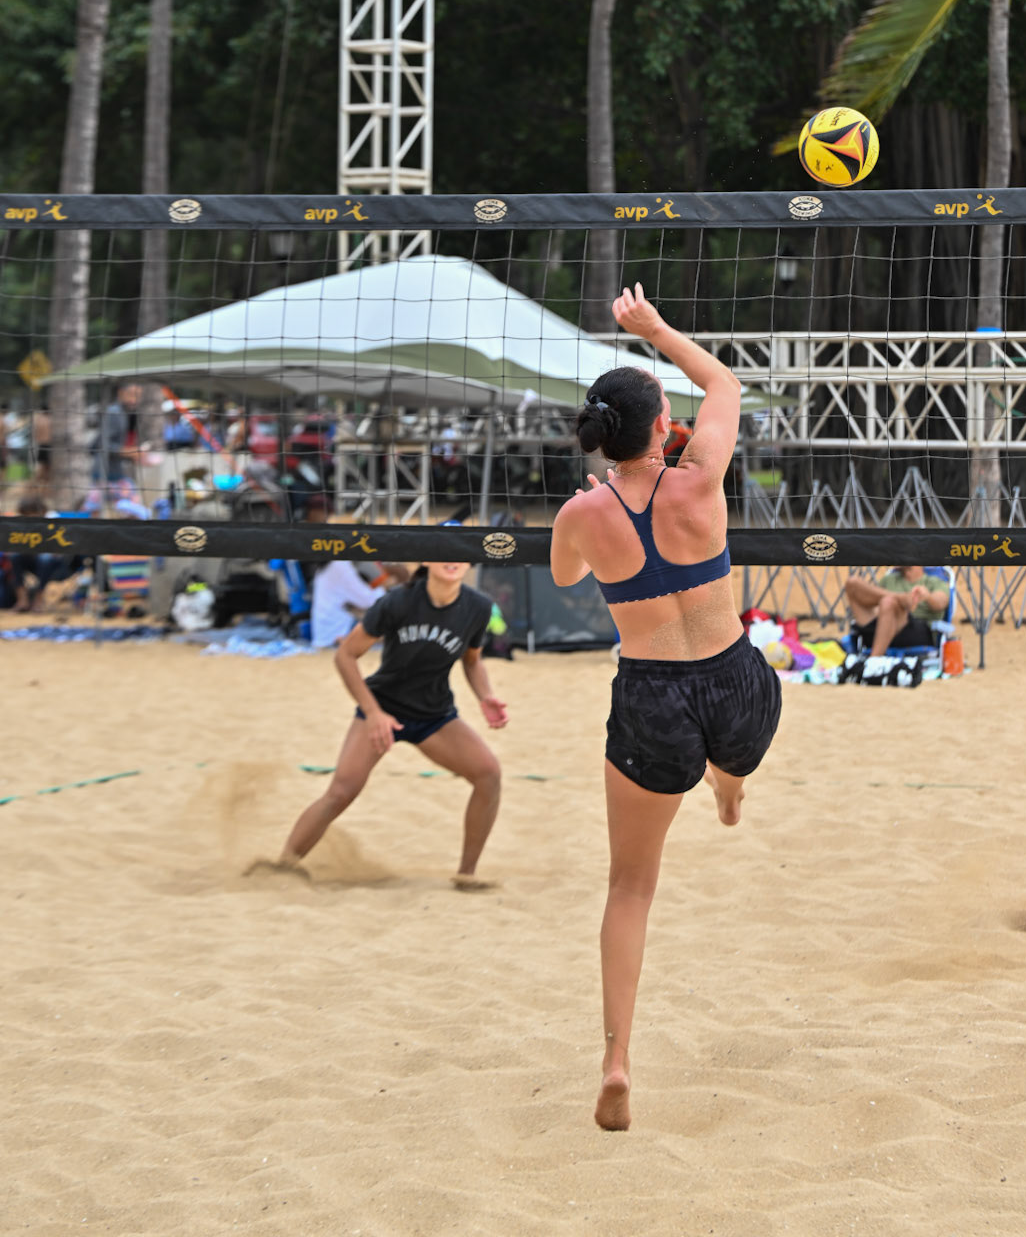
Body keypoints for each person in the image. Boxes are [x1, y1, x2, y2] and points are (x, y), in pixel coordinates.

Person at [551, 284, 782, 1133]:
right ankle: (728, 784)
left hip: (651, 696)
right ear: (662, 427)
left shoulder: (580, 512)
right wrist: (651, 329)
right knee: (730, 757)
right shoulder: (701, 480)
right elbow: (725, 384)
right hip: (735, 687)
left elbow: (569, 580)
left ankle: (615, 1059)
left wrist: (595, 506)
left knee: (629, 886)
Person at [280, 559, 507, 886]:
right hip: (384, 707)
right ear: (426, 561)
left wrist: (485, 696)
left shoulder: (478, 607)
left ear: (469, 562)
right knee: (341, 791)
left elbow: (472, 661)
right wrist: (373, 713)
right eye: (443, 553)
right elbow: (345, 655)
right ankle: (283, 865)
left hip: (434, 715)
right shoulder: (398, 603)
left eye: (459, 553)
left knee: (489, 775)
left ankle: (466, 875)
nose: (452, 561)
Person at [845, 564, 951, 656]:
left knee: (888, 602)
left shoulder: (933, 582)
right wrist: (902, 599)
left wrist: (928, 596)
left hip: (915, 632)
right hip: (881, 628)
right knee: (852, 583)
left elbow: (941, 603)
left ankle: (874, 660)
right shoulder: (888, 579)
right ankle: (899, 597)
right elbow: (875, 607)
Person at [309, 557, 386, 650]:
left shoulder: (328, 565)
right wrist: (385, 587)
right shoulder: (340, 565)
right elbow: (368, 600)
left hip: (326, 636)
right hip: (336, 636)